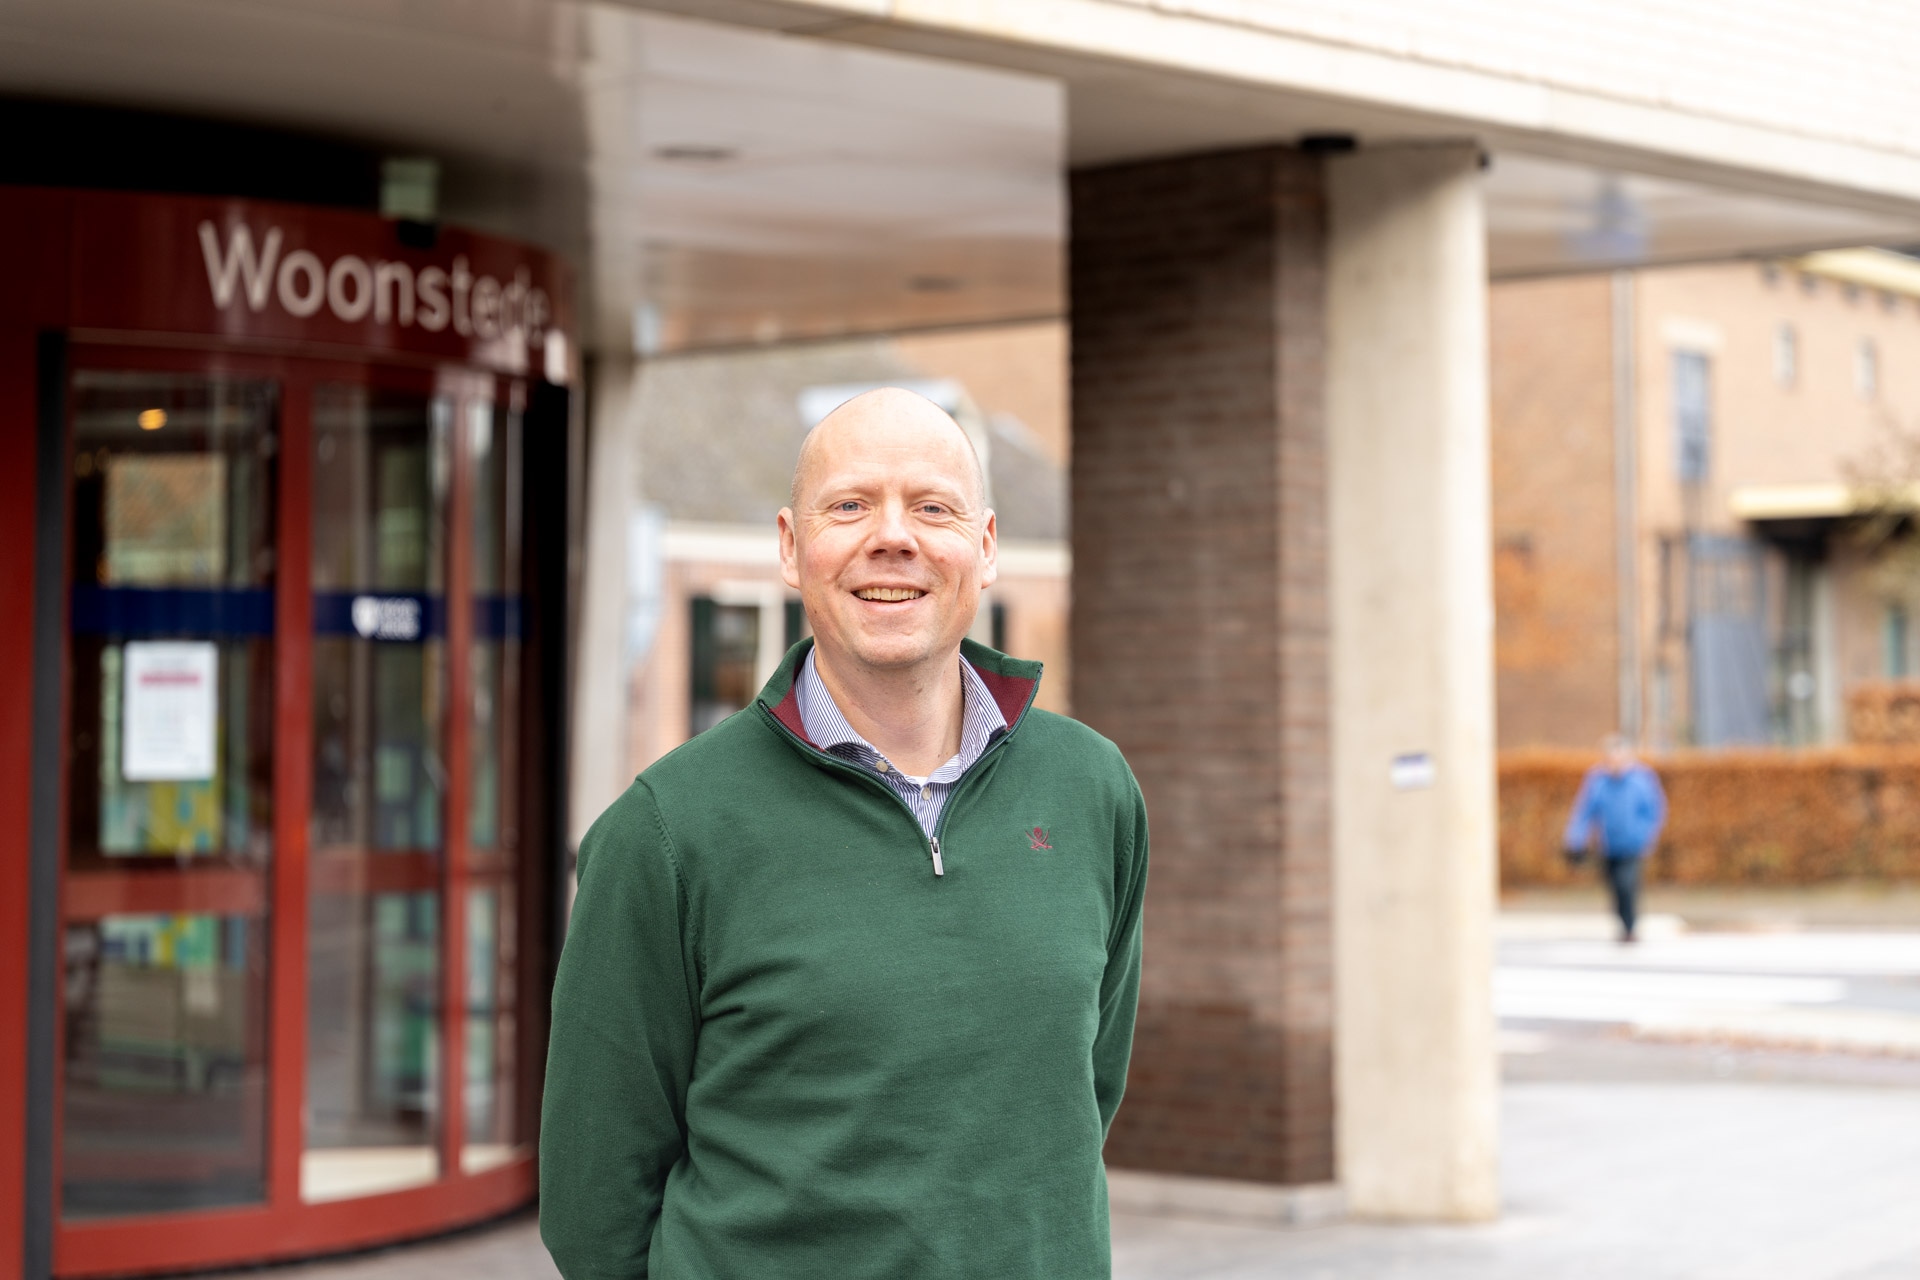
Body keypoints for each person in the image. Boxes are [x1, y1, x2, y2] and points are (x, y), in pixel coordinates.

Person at [539, 387, 1149, 1279]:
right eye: (851, 505)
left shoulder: (1094, 791)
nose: (893, 537)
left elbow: (1081, 1093)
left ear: (983, 549)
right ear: (792, 547)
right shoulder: (666, 833)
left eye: (932, 508)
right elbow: (596, 1205)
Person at [1562, 733, 1667, 943]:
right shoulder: (1598, 780)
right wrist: (1575, 839)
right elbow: (1584, 811)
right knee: (1615, 887)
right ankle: (1622, 923)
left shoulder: (1641, 779)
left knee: (1627, 884)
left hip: (1633, 844)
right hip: (1609, 844)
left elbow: (1654, 810)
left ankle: (1630, 927)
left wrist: (1647, 836)